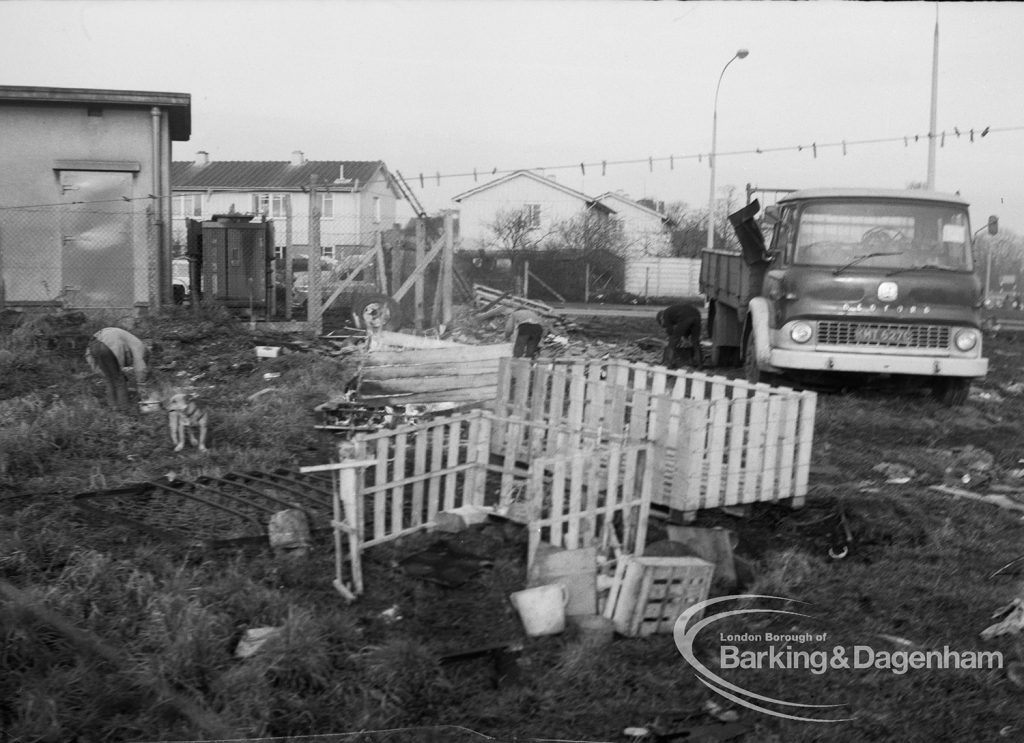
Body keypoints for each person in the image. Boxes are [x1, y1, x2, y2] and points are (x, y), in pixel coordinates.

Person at [85, 327, 152, 411]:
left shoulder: (129, 339)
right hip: (108, 343)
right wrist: (141, 384)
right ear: (146, 354)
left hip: (93, 345)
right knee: (119, 380)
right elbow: (140, 366)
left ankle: (113, 409)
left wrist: (100, 371)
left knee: (109, 379)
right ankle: (125, 410)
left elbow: (90, 357)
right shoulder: (140, 346)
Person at [656, 304, 703, 370]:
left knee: (671, 344)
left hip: (686, 317)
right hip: (697, 315)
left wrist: (672, 338)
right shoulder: (673, 311)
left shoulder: (665, 314)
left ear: (661, 318)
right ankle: (699, 365)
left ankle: (669, 364)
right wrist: (684, 337)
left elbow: (670, 331)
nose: (664, 326)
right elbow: (687, 329)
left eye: (662, 324)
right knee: (696, 343)